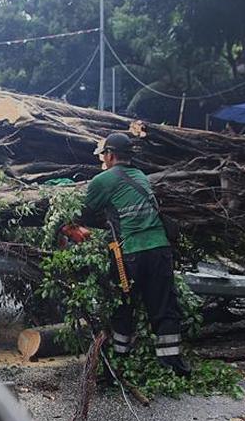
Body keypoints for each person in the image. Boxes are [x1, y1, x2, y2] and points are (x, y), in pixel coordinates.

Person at [67, 132, 190, 377]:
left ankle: (119, 363)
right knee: (164, 305)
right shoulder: (140, 176)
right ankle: (172, 365)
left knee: (123, 305)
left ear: (110, 155)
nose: (103, 159)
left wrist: (68, 225)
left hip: (130, 255)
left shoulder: (102, 180)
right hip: (160, 250)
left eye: (104, 155)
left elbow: (83, 211)